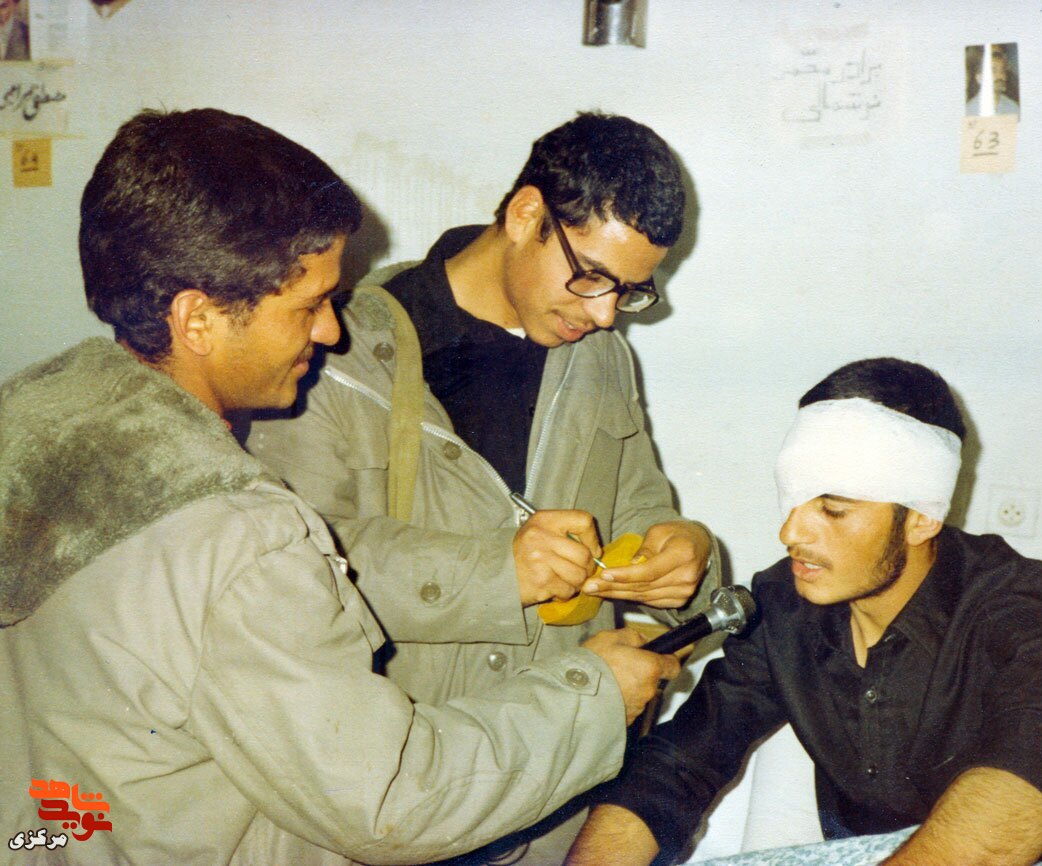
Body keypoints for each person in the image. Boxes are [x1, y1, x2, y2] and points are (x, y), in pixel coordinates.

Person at [0, 107, 681, 865]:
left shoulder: (27, 416)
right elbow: (393, 800)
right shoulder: (238, 535)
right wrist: (593, 696)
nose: (331, 330)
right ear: (197, 320)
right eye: (309, 305)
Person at [247, 112, 721, 863]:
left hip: (564, 793)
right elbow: (290, 575)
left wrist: (686, 551)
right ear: (526, 215)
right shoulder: (336, 352)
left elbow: (638, 504)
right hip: (415, 792)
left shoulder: (600, 357)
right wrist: (498, 572)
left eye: (629, 292)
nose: (605, 313)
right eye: (593, 276)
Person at [567, 358, 1042, 866]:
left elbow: (1032, 773)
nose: (790, 533)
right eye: (793, 501)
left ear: (921, 518)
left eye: (833, 509)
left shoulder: (1017, 600)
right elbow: (677, 767)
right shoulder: (782, 604)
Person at [966, 43, 1020, 116]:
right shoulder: (968, 111)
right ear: (979, 78)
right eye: (993, 71)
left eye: (1002, 70)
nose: (1000, 76)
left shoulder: (1013, 108)